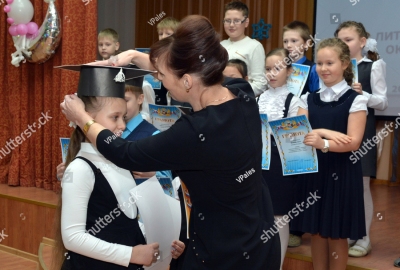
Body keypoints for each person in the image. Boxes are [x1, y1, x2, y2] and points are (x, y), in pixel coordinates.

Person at [60, 15, 280, 270]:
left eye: (162, 76)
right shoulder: (241, 92)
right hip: (259, 237)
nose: (159, 80)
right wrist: (132, 56)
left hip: (226, 250)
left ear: (187, 81)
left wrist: (83, 119)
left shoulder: (195, 131)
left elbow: (126, 153)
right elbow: (214, 161)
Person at [53, 65, 185, 270]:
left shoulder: (121, 163)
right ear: (86, 117)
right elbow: (72, 238)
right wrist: (131, 254)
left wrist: (163, 242)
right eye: (114, 117)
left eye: (123, 118)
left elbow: (127, 220)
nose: (122, 126)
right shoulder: (79, 169)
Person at [291, 38, 367, 270]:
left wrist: (322, 139)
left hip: (341, 173)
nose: (323, 68)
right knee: (316, 230)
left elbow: (353, 143)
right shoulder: (307, 98)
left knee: (336, 233)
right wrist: (326, 134)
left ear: (344, 64)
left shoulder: (356, 100)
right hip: (314, 171)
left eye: (330, 63)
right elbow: (301, 134)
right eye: (320, 63)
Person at [335, 21, 388, 258]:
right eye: (341, 40)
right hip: (339, 128)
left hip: (363, 132)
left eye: (349, 40)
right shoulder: (336, 67)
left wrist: (362, 94)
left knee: (362, 185)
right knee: (343, 185)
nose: (344, 44)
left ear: (362, 42)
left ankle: (364, 237)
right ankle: (348, 233)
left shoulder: (373, 66)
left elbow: (383, 101)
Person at [258, 48, 307, 269]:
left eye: (277, 68)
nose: (272, 73)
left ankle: (276, 265)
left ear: (289, 71)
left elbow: (300, 139)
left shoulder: (296, 102)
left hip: (281, 166)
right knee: (258, 217)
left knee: (279, 218)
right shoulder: (257, 99)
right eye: (268, 69)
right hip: (257, 164)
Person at [220, 1, 266, 96]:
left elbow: (260, 83)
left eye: (236, 21)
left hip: (242, 100)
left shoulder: (254, 46)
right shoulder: (219, 45)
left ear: (246, 22)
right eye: (228, 20)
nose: (231, 25)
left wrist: (235, 92)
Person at [283, 21, 320, 95]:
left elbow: (317, 97)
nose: (288, 45)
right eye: (285, 41)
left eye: (294, 41)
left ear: (306, 44)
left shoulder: (313, 69)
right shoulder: (280, 67)